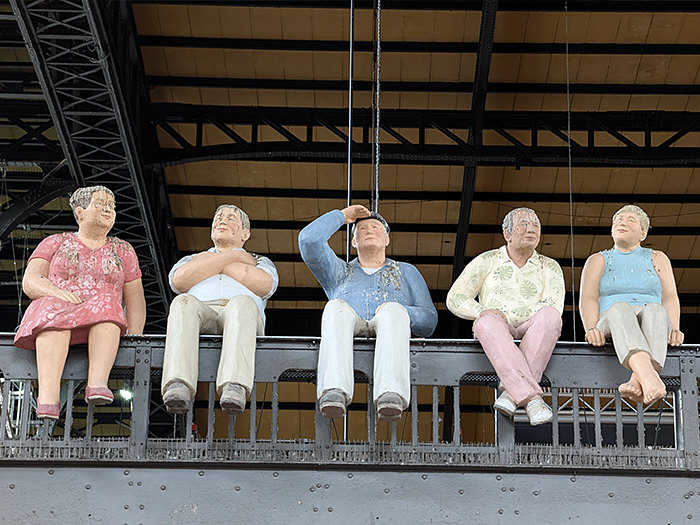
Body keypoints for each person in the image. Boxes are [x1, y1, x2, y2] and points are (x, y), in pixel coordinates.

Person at [14, 186, 146, 419]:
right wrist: (56, 293)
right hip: (58, 310)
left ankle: (97, 383)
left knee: (108, 304)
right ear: (80, 212)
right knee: (52, 310)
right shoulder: (56, 242)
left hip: (103, 320)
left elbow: (135, 298)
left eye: (112, 206)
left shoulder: (123, 250)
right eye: (100, 204)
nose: (108, 209)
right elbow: (31, 280)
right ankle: (48, 397)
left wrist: (136, 336)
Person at [298, 205, 437, 422]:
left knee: (392, 310)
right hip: (350, 325)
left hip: (390, 325)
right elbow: (309, 241)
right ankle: (334, 389)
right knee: (335, 308)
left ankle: (391, 392)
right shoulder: (340, 272)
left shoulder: (405, 271)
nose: (369, 230)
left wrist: (399, 312)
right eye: (361, 229)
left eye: (375, 227)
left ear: (387, 239)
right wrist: (342, 216)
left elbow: (428, 320)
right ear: (353, 242)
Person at [446, 207, 564, 426]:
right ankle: (532, 399)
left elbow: (553, 304)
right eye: (524, 224)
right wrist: (480, 311)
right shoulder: (487, 260)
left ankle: (511, 394)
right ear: (507, 233)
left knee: (551, 317)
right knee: (485, 322)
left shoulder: (549, 266)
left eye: (535, 225)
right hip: (498, 324)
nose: (531, 229)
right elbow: (455, 297)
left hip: (533, 325)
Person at [161, 204, 278, 415]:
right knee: (182, 303)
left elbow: (264, 285)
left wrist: (208, 264)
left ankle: (235, 385)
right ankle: (178, 383)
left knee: (242, 303)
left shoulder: (259, 261)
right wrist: (234, 258)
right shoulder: (193, 258)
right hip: (202, 310)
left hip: (241, 315)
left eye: (231, 218)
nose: (222, 221)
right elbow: (179, 281)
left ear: (245, 234)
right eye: (218, 217)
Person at [579, 205, 682, 405]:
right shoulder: (598, 260)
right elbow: (588, 297)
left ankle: (638, 379)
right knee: (620, 308)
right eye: (618, 220)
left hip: (652, 316)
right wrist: (591, 328)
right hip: (612, 317)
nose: (622, 223)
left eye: (630, 220)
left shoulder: (657, 258)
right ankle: (651, 378)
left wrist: (675, 327)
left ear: (643, 233)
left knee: (656, 310)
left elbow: (669, 296)